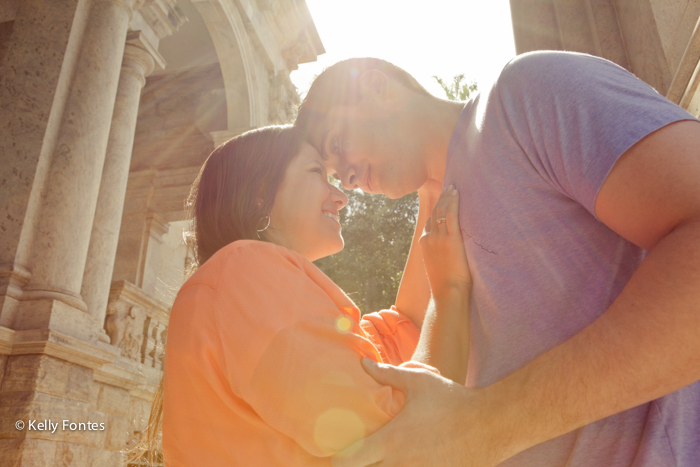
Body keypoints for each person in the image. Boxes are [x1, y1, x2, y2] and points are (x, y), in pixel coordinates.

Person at [294, 51, 700, 466]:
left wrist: (487, 424)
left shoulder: (520, 97)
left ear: (374, 86)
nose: (346, 178)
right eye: (334, 174)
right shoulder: (439, 247)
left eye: (337, 145)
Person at [138, 125, 471, 466]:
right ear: (259, 192)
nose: (340, 196)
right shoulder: (243, 270)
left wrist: (431, 190)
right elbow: (416, 434)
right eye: (316, 172)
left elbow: (408, 327)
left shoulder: (258, 299)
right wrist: (452, 289)